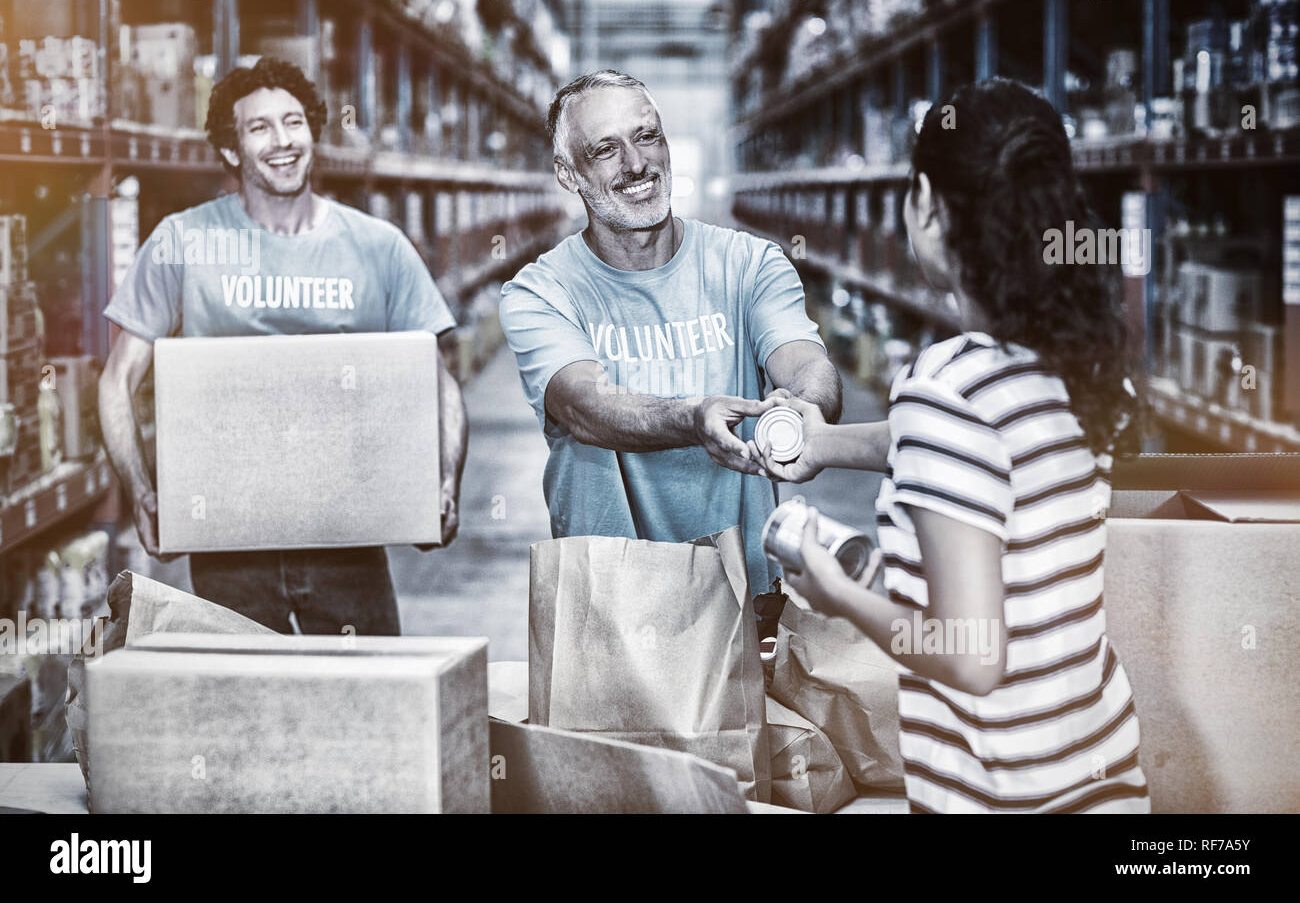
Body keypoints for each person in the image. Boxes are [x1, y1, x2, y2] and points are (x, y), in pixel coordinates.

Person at [756, 78, 1151, 813]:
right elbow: (967, 449)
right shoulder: (1079, 364)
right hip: (1102, 776)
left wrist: (836, 592)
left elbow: (970, 658)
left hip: (1001, 795)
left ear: (928, 205)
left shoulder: (943, 386)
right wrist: (824, 444)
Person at [98, 57, 467, 635]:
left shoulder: (379, 248)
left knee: (365, 709)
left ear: (312, 132)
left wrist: (444, 480)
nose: (282, 141)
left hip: (348, 535)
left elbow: (437, 376)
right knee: (247, 714)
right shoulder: (184, 241)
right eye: (259, 127)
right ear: (229, 150)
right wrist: (140, 491)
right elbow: (118, 378)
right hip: (227, 539)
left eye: (293, 122)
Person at [500, 70, 842, 600]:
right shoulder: (541, 292)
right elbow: (584, 406)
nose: (636, 164)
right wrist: (693, 419)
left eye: (646, 136)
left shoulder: (749, 264)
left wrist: (806, 408)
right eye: (605, 149)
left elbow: (804, 364)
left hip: (746, 597)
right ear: (568, 174)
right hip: (609, 607)